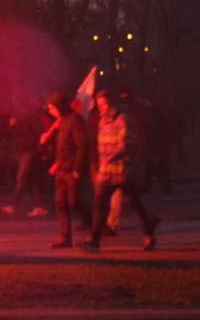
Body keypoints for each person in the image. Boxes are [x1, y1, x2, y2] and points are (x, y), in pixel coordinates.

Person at [83, 90, 160, 252]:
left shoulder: (123, 118)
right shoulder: (102, 121)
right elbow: (100, 144)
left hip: (123, 170)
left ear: (110, 104)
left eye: (103, 104)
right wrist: (101, 166)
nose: (101, 108)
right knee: (100, 203)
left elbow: (127, 143)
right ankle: (94, 240)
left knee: (135, 202)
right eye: (99, 105)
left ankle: (149, 226)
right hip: (106, 171)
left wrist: (114, 156)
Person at [44, 92, 91, 248]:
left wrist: (77, 168)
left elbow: (81, 146)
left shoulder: (75, 121)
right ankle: (65, 238)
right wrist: (57, 163)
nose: (51, 111)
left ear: (60, 106)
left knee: (74, 201)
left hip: (71, 170)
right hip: (61, 170)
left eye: (52, 108)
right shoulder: (61, 121)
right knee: (60, 203)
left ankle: (94, 223)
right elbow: (62, 146)